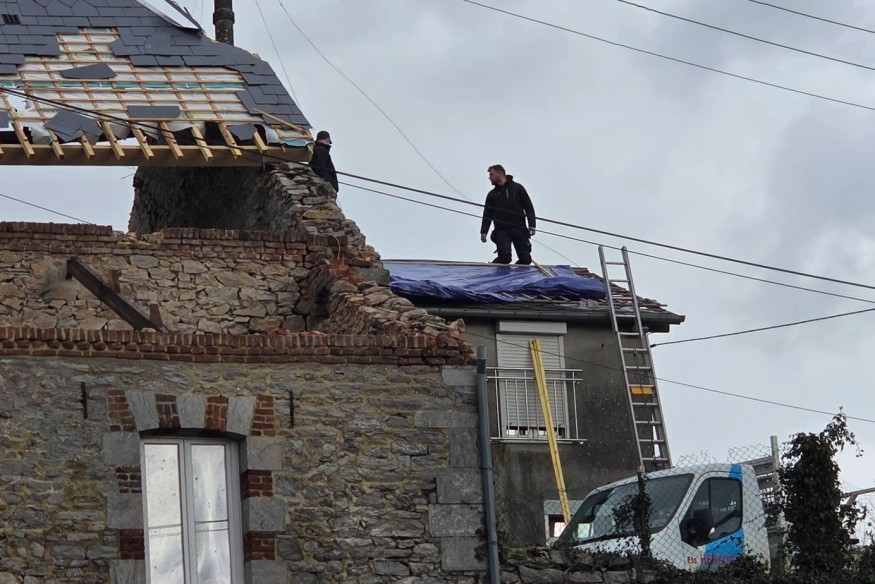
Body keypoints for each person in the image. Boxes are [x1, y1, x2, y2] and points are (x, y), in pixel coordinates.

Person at [480, 164, 536, 265]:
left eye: (491, 174)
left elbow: (529, 207)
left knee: (526, 259)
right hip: (502, 230)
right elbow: (487, 215)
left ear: (499, 173)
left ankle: (517, 277)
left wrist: (532, 224)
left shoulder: (517, 188)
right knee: (504, 257)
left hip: (519, 229)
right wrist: (484, 232)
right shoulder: (492, 195)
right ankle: (492, 269)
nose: (489, 178)